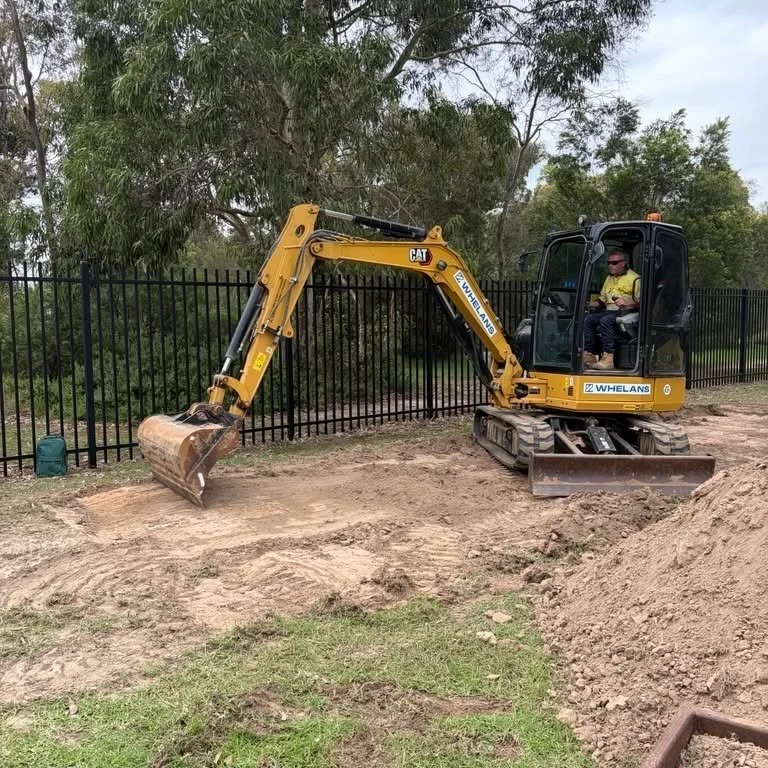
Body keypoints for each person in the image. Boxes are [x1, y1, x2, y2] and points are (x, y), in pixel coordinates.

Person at [583, 250, 640, 370]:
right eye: (609, 263)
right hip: (609, 310)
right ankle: (590, 355)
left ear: (624, 263)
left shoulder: (635, 279)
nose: (610, 265)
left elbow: (642, 303)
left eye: (614, 263)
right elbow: (603, 300)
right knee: (588, 320)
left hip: (626, 312)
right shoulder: (609, 278)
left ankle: (608, 358)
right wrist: (591, 304)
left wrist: (627, 303)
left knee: (605, 321)